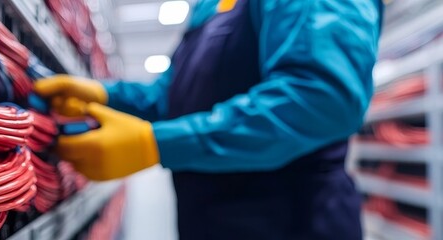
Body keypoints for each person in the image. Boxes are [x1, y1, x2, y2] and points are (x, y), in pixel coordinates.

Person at [34, 0, 382, 239]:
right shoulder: (209, 6)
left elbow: (318, 99)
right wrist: (105, 94)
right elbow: (171, 95)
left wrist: (155, 144)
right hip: (214, 221)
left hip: (293, 224)